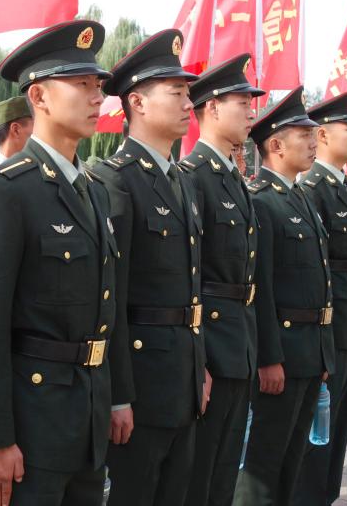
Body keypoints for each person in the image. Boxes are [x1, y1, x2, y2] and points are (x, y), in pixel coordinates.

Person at [0, 20, 117, 506]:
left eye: (98, 85)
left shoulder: (93, 192)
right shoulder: (4, 191)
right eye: (82, 84)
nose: (97, 97)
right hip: (28, 427)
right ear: (39, 96)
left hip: (84, 420)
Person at [90, 29, 205, 506]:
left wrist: (199, 369)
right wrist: (119, 394)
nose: (188, 104)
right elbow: (111, 299)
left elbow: (190, 290)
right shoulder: (115, 180)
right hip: (142, 382)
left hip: (181, 375)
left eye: (187, 94)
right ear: (136, 102)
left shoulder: (180, 180)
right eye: (176, 93)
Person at [234, 87, 330, 505]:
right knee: (263, 462)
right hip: (283, 354)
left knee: (293, 457)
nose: (313, 142)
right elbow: (262, 289)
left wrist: (324, 353)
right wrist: (269, 358)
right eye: (303, 136)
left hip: (309, 351)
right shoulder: (262, 202)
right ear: (275, 145)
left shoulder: (299, 197)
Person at [178, 54, 264, 506]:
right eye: (242, 103)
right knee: (201, 475)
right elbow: (189, 276)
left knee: (225, 470)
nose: (251, 112)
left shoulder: (232, 178)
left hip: (238, 340)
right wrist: (200, 361)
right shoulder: (194, 177)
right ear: (211, 107)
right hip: (211, 345)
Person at [292, 89, 347, 506]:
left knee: (337, 422)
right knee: (317, 431)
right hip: (328, 320)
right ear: (322, 135)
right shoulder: (314, 188)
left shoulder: (343, 186)